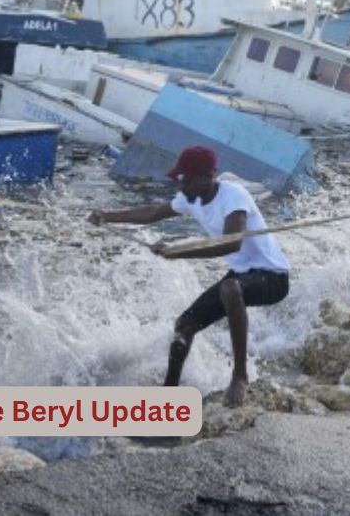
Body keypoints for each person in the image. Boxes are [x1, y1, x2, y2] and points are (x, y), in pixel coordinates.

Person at [89, 146, 291, 407]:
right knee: (184, 326)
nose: (180, 185)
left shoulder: (234, 196)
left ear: (207, 177)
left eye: (185, 179)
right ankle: (168, 398)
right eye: (179, 179)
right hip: (242, 276)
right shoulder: (190, 198)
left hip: (273, 277)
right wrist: (107, 216)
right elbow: (153, 213)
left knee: (230, 288)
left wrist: (178, 251)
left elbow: (232, 243)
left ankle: (240, 376)